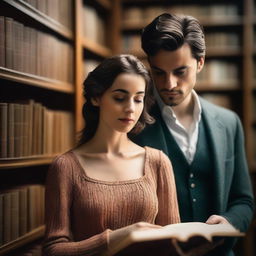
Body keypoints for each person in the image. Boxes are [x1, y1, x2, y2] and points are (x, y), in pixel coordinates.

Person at [132, 13, 254, 256]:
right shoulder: (133, 125)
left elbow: (244, 201)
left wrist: (230, 222)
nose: (169, 84)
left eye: (180, 72)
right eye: (158, 72)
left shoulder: (229, 123)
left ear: (200, 63)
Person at [42, 54, 180, 256]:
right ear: (96, 97)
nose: (130, 109)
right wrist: (116, 238)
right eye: (119, 97)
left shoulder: (158, 162)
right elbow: (53, 250)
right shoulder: (66, 166)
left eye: (138, 99)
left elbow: (172, 242)